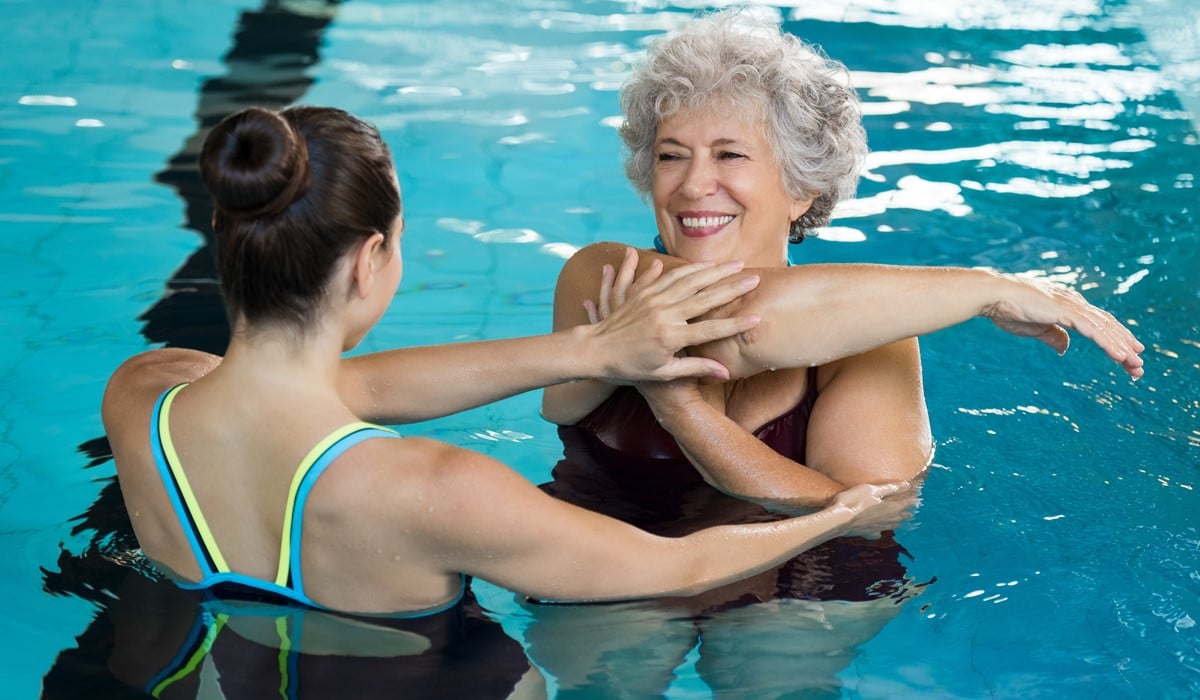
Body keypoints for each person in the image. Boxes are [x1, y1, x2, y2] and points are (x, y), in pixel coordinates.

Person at [530, 8, 1145, 695]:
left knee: (772, 668)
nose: (693, 184)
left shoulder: (874, 334)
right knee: (612, 671)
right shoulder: (603, 278)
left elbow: (872, 512)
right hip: (615, 542)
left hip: (804, 572)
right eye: (672, 155)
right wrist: (986, 289)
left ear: (801, 190)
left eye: (730, 155)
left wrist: (685, 414)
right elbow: (734, 323)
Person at [101, 104, 908, 626]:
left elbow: (337, 388)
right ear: (370, 260)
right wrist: (840, 511)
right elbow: (684, 566)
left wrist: (590, 352)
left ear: (227, 233)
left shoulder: (143, 394)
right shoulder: (437, 491)